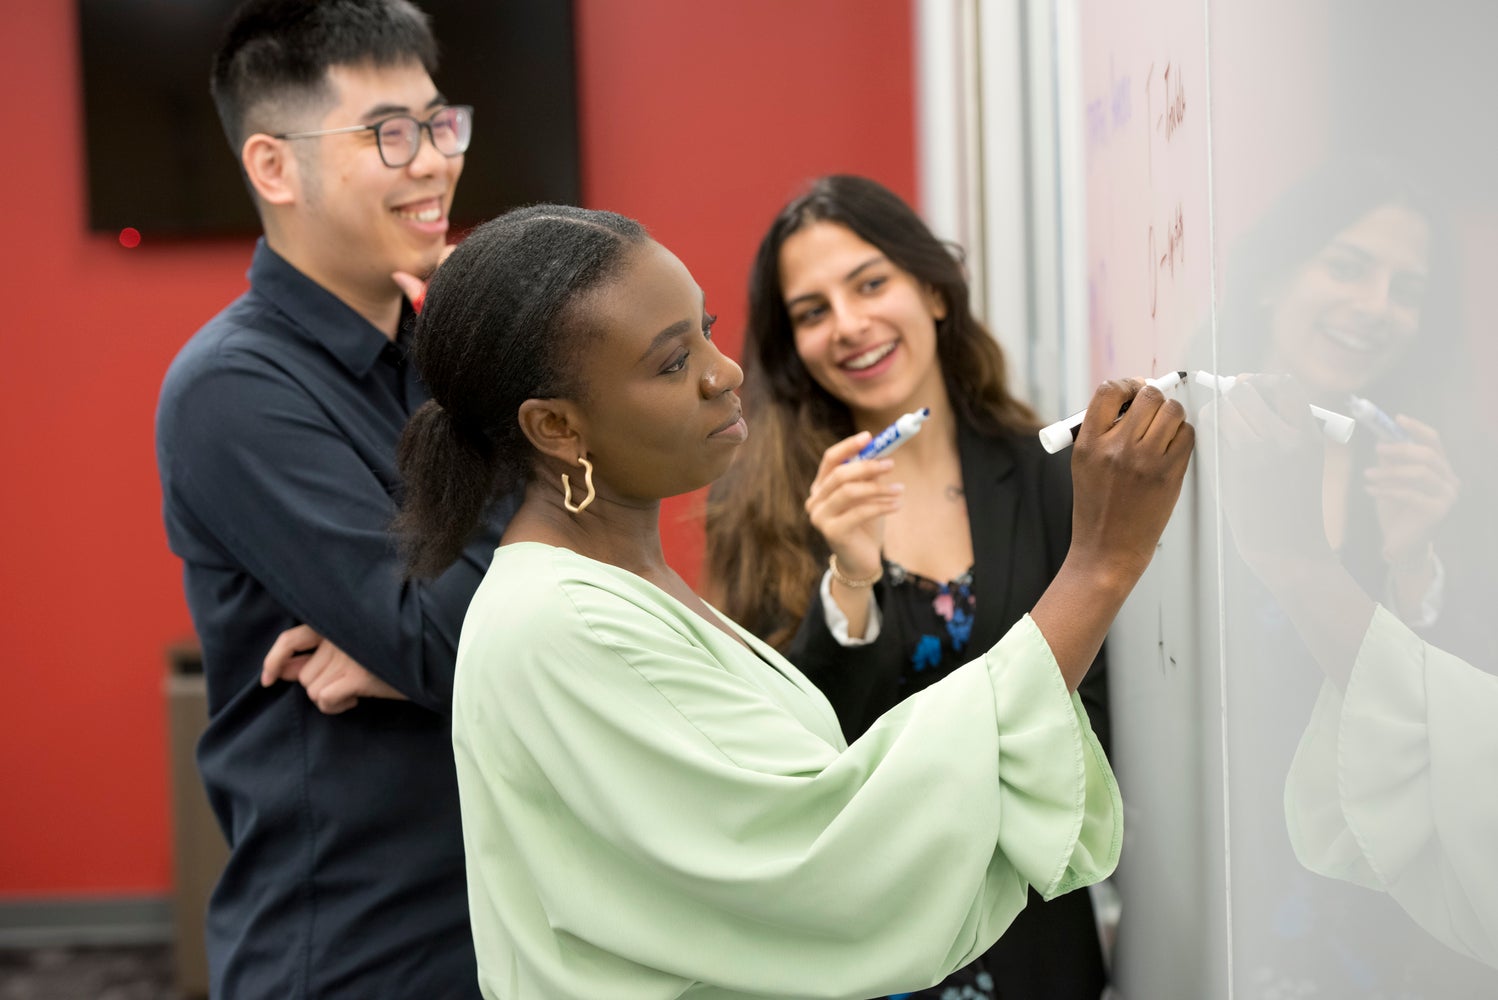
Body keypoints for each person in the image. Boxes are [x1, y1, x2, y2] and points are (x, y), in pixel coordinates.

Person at [393, 203, 1192, 999]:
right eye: (674, 363)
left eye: (705, 330)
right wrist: (1098, 569)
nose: (723, 371)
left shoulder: (617, 585)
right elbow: (835, 864)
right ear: (558, 428)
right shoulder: (561, 624)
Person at [154, 2, 510, 995]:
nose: (435, 160)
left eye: (441, 124)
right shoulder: (232, 388)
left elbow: (576, 574)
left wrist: (412, 643)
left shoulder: (444, 353)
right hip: (360, 946)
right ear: (274, 167)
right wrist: (519, 429)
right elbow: (443, 638)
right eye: (389, 133)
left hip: (509, 914)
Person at [701, 174, 1110, 999]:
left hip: (1031, 936)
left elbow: (1092, 719)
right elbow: (789, 765)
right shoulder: (767, 511)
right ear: (793, 346)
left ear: (932, 289)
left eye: (871, 283)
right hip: (866, 952)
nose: (849, 326)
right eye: (812, 312)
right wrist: (849, 578)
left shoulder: (1048, 477)